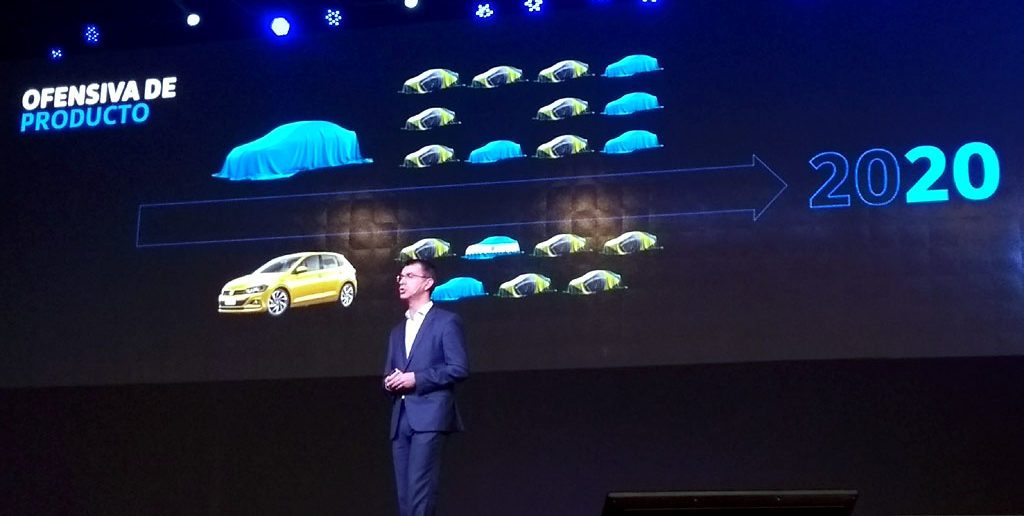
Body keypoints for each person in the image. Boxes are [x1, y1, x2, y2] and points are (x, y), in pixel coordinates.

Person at [384, 259, 469, 516]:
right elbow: (390, 370)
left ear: (428, 283)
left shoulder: (446, 321)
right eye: (400, 276)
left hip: (430, 416)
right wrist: (390, 381)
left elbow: (458, 368)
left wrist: (416, 379)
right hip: (401, 419)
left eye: (410, 276)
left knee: (420, 491)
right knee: (404, 496)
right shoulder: (397, 330)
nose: (402, 281)